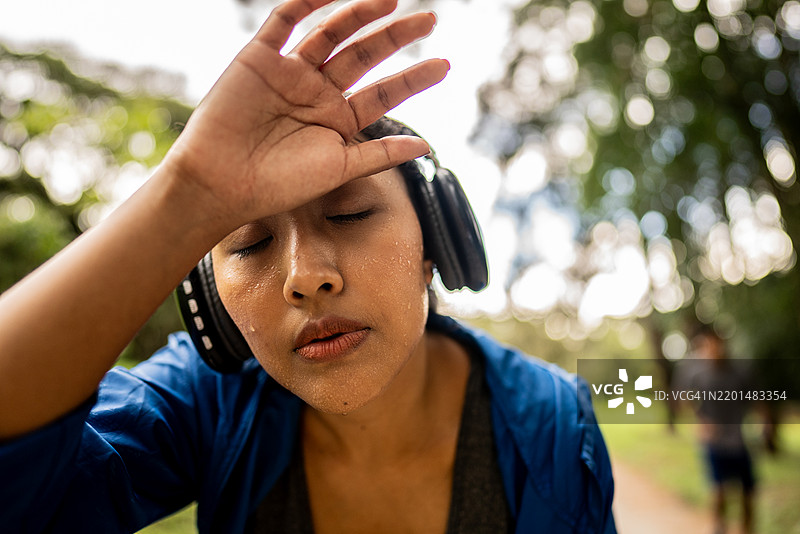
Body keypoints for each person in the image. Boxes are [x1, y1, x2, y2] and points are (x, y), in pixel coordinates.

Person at [0, 0, 616, 532]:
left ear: (434, 244)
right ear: (213, 297)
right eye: (247, 246)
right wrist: (182, 197)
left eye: (348, 215)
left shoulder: (558, 425)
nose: (305, 276)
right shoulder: (202, 403)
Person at [680, 327, 757, 534]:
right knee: (719, 491)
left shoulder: (738, 371)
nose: (712, 350)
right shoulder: (697, 373)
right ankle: (718, 528)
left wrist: (765, 423)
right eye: (706, 346)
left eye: (715, 344)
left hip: (739, 440)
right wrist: (701, 421)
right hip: (713, 442)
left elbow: (756, 398)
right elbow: (684, 400)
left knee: (748, 493)